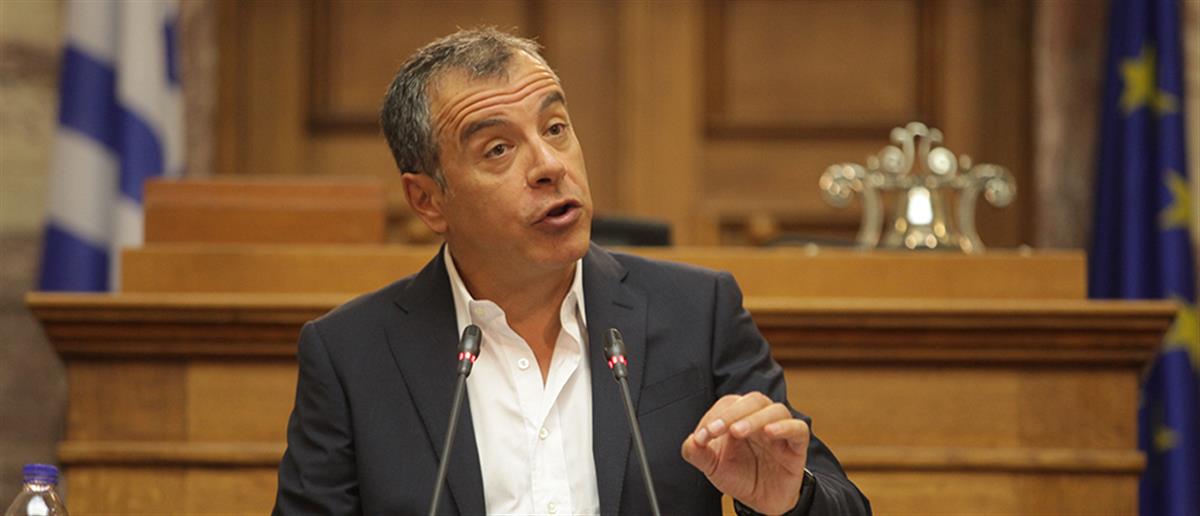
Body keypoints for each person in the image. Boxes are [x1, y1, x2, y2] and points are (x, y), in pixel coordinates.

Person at [273, 28, 869, 516]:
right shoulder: (352, 355)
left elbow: (839, 501)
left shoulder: (698, 311)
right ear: (428, 200)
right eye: (498, 149)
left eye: (555, 129)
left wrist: (789, 502)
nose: (549, 165)